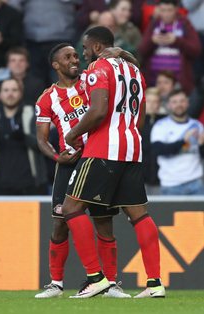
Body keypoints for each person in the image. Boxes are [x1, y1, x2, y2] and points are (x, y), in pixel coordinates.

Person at [62, 26, 164, 298]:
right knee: (139, 215)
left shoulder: (99, 67)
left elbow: (97, 111)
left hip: (103, 149)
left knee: (70, 208)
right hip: (132, 147)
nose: (83, 55)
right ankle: (155, 284)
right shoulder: (135, 72)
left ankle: (96, 278)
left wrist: (72, 134)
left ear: (96, 47)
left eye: (84, 49)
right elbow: (139, 118)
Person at [35, 43, 132, 298]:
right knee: (60, 224)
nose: (74, 60)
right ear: (56, 65)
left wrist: (121, 52)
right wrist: (58, 157)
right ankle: (56, 284)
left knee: (104, 223)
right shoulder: (47, 98)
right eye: (67, 57)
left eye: (76, 55)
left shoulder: (92, 81)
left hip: (96, 159)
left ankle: (110, 283)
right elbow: (41, 139)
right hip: (69, 163)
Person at [0, 78, 48, 195]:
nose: (10, 94)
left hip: (32, 186)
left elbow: (45, 145)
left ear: (20, 93)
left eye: (14, 90)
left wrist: (24, 136)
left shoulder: (31, 114)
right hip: (1, 187)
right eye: (6, 90)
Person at [139, 0, 201, 95]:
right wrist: (152, 41)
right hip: (154, 82)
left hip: (179, 84)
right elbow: (141, 50)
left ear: (176, 9)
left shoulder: (184, 24)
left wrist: (177, 41)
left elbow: (196, 50)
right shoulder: (154, 24)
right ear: (159, 10)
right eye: (163, 10)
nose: (166, 14)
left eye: (169, 10)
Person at [151, 88, 204, 195]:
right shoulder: (161, 125)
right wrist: (183, 141)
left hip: (196, 182)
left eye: (182, 101)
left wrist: (202, 145)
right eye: (174, 102)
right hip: (171, 184)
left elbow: (201, 155)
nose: (179, 104)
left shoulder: (197, 125)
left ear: (188, 103)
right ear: (169, 105)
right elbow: (158, 150)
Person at [142, 87, 166, 195]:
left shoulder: (166, 122)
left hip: (160, 175)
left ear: (159, 104)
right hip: (140, 177)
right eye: (149, 101)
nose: (152, 104)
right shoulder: (135, 123)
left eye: (155, 101)